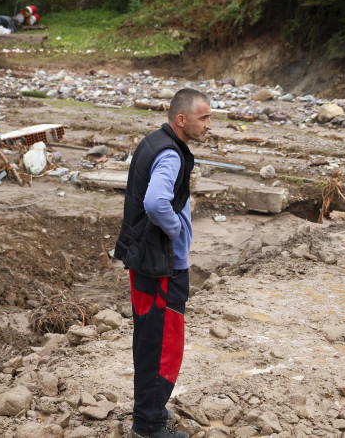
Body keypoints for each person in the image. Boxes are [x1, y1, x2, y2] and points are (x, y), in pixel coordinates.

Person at [114, 88, 212, 438]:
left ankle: (149, 409)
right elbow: (156, 203)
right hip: (161, 265)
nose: (209, 125)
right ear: (181, 120)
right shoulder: (171, 154)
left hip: (142, 259)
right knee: (163, 344)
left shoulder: (154, 141)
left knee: (148, 338)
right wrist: (176, 231)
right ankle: (150, 424)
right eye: (204, 118)